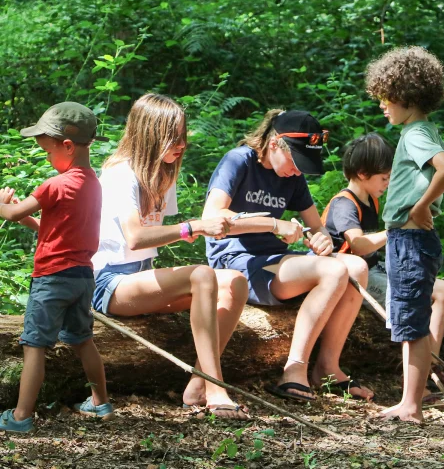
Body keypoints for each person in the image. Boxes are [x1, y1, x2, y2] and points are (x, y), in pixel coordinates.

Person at [91, 93, 249, 419]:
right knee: (201, 274)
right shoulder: (121, 174)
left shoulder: (163, 173)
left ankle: (196, 385)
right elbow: (135, 238)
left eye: (184, 136)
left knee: (235, 281)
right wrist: (195, 227)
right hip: (109, 282)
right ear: (150, 134)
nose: (182, 145)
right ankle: (216, 389)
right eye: (173, 137)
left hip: (140, 274)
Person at [203, 109, 374, 402]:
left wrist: (320, 241)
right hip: (234, 260)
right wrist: (272, 223)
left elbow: (316, 227)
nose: (298, 172)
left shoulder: (292, 177)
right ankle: (294, 369)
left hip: (274, 260)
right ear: (273, 145)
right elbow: (212, 218)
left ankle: (327, 368)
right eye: (296, 163)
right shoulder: (238, 161)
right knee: (332, 272)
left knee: (356, 267)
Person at [365, 46, 444, 422]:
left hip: (409, 239)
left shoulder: (414, 134)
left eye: (386, 98)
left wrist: (422, 205)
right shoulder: (424, 130)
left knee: (411, 322)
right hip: (410, 241)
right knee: (411, 320)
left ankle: (411, 405)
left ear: (407, 97)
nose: (382, 106)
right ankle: (413, 399)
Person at [0, 102, 113, 432]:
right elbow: (58, 228)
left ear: (66, 145)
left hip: (51, 278)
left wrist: (5, 204)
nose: (48, 159)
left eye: (47, 152)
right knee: (82, 340)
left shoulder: (55, 185)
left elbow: (10, 214)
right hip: (81, 277)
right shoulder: (92, 184)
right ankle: (100, 402)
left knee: (34, 345)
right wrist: (27, 219)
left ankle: (20, 417)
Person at [321, 132, 444, 404]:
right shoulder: (344, 203)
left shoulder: (370, 199)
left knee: (443, 290)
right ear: (362, 173)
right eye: (384, 178)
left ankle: (431, 364)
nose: (388, 183)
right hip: (355, 275)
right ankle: (421, 381)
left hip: (377, 267)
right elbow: (358, 244)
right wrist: (397, 229)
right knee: (420, 301)